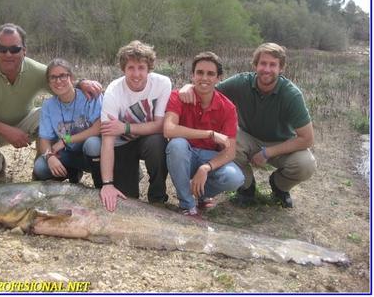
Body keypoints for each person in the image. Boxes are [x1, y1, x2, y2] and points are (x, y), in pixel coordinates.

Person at [179, 43, 316, 208]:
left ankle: (279, 187)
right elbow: (209, 89)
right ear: (255, 65)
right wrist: (188, 87)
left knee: (306, 164)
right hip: (247, 137)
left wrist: (268, 152)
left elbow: (307, 139)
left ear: (281, 68)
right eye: (263, 63)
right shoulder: (241, 82)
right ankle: (246, 188)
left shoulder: (291, 95)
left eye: (273, 65)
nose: (267, 69)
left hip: (280, 143)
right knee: (228, 141)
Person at [0, 23, 101, 182]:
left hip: (25, 122)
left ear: (24, 50)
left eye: (15, 49)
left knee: (49, 114)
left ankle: (43, 168)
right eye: (2, 49)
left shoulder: (35, 70)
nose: (8, 54)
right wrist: (8, 131)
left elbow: (60, 81)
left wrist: (82, 83)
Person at [164, 52, 244, 218]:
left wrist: (206, 167)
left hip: (208, 157)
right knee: (176, 145)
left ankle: (201, 194)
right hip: (184, 154)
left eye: (210, 74)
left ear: (218, 78)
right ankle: (187, 205)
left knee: (235, 178)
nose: (204, 78)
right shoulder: (178, 96)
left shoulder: (228, 108)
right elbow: (169, 130)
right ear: (192, 76)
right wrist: (209, 134)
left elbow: (230, 151)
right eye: (200, 72)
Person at [99, 40, 171, 212]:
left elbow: (160, 126)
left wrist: (126, 128)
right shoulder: (113, 92)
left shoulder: (162, 84)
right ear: (123, 69)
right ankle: (128, 177)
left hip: (148, 139)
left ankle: (157, 197)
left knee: (158, 142)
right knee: (127, 199)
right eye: (131, 68)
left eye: (141, 67)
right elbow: (107, 140)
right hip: (122, 144)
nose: (136, 74)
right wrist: (107, 184)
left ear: (149, 68)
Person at [32, 58, 103, 187]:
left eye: (63, 76)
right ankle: (72, 173)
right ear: (48, 82)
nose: (58, 81)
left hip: (92, 155)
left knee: (93, 143)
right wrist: (49, 157)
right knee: (41, 167)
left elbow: (98, 128)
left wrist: (66, 140)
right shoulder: (48, 105)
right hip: (69, 155)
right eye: (53, 77)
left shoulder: (89, 96)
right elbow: (44, 140)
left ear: (71, 77)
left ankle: (100, 186)